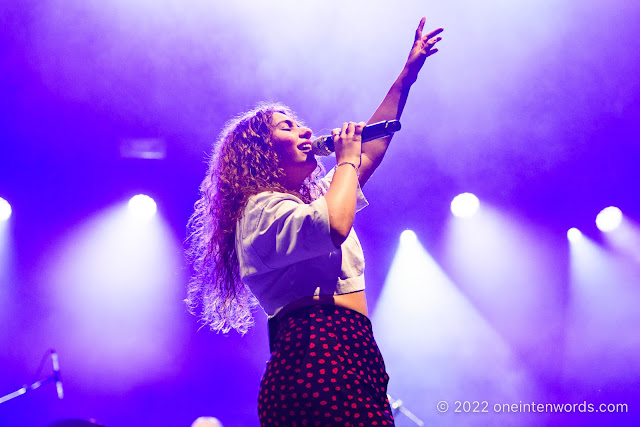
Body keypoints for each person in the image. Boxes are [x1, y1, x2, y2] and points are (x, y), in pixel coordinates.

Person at [187, 17, 443, 427]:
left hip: (351, 348)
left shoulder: (309, 201)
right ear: (261, 153)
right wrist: (344, 159)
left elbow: (369, 152)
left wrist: (406, 75)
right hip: (316, 352)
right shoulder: (261, 211)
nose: (306, 130)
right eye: (287, 127)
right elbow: (333, 227)